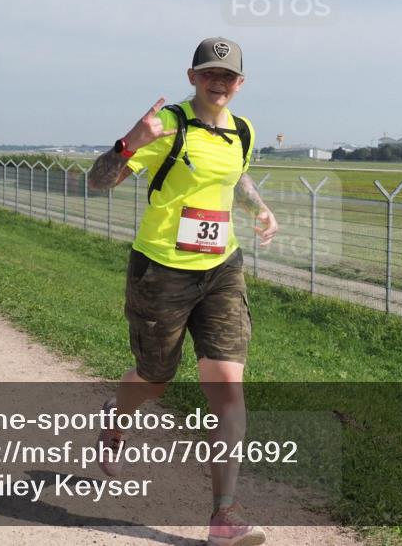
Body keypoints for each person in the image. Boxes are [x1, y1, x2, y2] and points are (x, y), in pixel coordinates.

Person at [87, 37, 278, 546]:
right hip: (161, 271)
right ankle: (116, 413)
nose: (220, 83)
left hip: (222, 268)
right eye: (209, 73)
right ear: (192, 76)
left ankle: (223, 515)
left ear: (240, 83)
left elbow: (235, 177)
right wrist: (130, 140)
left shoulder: (243, 130)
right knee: (154, 379)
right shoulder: (166, 125)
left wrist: (258, 207)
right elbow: (98, 182)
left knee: (227, 387)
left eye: (229, 76)